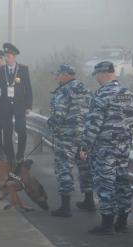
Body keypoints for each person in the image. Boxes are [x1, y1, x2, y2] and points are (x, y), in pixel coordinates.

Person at [80, 61, 133, 235]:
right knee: (122, 182)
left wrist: (85, 146)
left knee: (105, 183)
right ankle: (122, 220)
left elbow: (93, 124)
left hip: (105, 148)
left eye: (97, 75)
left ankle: (106, 224)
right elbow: (131, 122)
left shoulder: (101, 95)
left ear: (103, 74)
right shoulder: (128, 94)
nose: (96, 79)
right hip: (123, 148)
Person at [47, 64, 94, 218]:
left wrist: (51, 126)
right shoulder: (85, 89)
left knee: (64, 168)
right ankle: (89, 200)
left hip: (67, 136)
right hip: (85, 136)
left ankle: (65, 207)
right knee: (85, 167)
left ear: (65, 75)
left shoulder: (64, 91)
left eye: (57, 74)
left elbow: (59, 115)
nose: (55, 77)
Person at [0, 42, 33, 167]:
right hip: (5, 106)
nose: (6, 59)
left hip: (19, 105)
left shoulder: (23, 69)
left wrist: (29, 105)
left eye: (8, 56)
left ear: (14, 57)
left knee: (21, 130)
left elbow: (28, 88)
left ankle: (20, 154)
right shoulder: (1, 71)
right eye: (5, 56)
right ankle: (10, 157)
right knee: (7, 133)